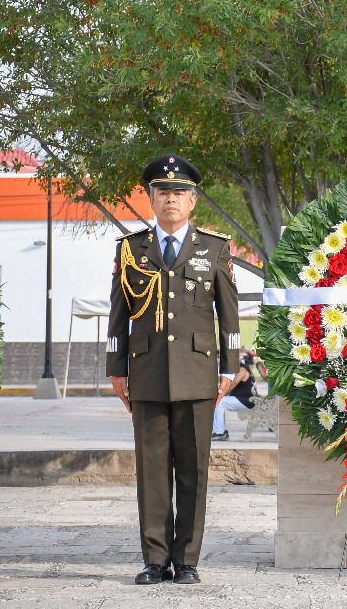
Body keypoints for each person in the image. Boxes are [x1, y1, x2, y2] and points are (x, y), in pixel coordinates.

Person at [106, 154, 240, 586]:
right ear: (150, 199)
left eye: (179, 193)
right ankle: (154, 559)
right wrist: (116, 367)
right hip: (145, 373)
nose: (171, 199)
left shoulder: (214, 248)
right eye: (163, 192)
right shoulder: (131, 249)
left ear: (192, 201)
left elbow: (230, 315)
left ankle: (187, 561)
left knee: (193, 470)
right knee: (151, 471)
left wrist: (230, 366)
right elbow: (118, 314)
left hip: (198, 373)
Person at [211, 349, 259, 441]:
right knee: (220, 402)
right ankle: (220, 431)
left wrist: (221, 394)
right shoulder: (245, 367)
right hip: (247, 400)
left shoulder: (242, 369)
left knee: (219, 402)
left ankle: (220, 432)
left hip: (247, 401)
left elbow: (233, 384)